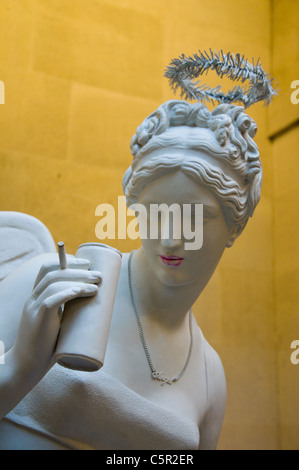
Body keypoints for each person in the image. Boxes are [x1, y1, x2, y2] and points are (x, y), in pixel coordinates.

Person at [0, 100, 262, 450]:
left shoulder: (210, 375)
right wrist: (19, 367)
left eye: (196, 218)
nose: (171, 237)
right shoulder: (49, 290)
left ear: (234, 227)